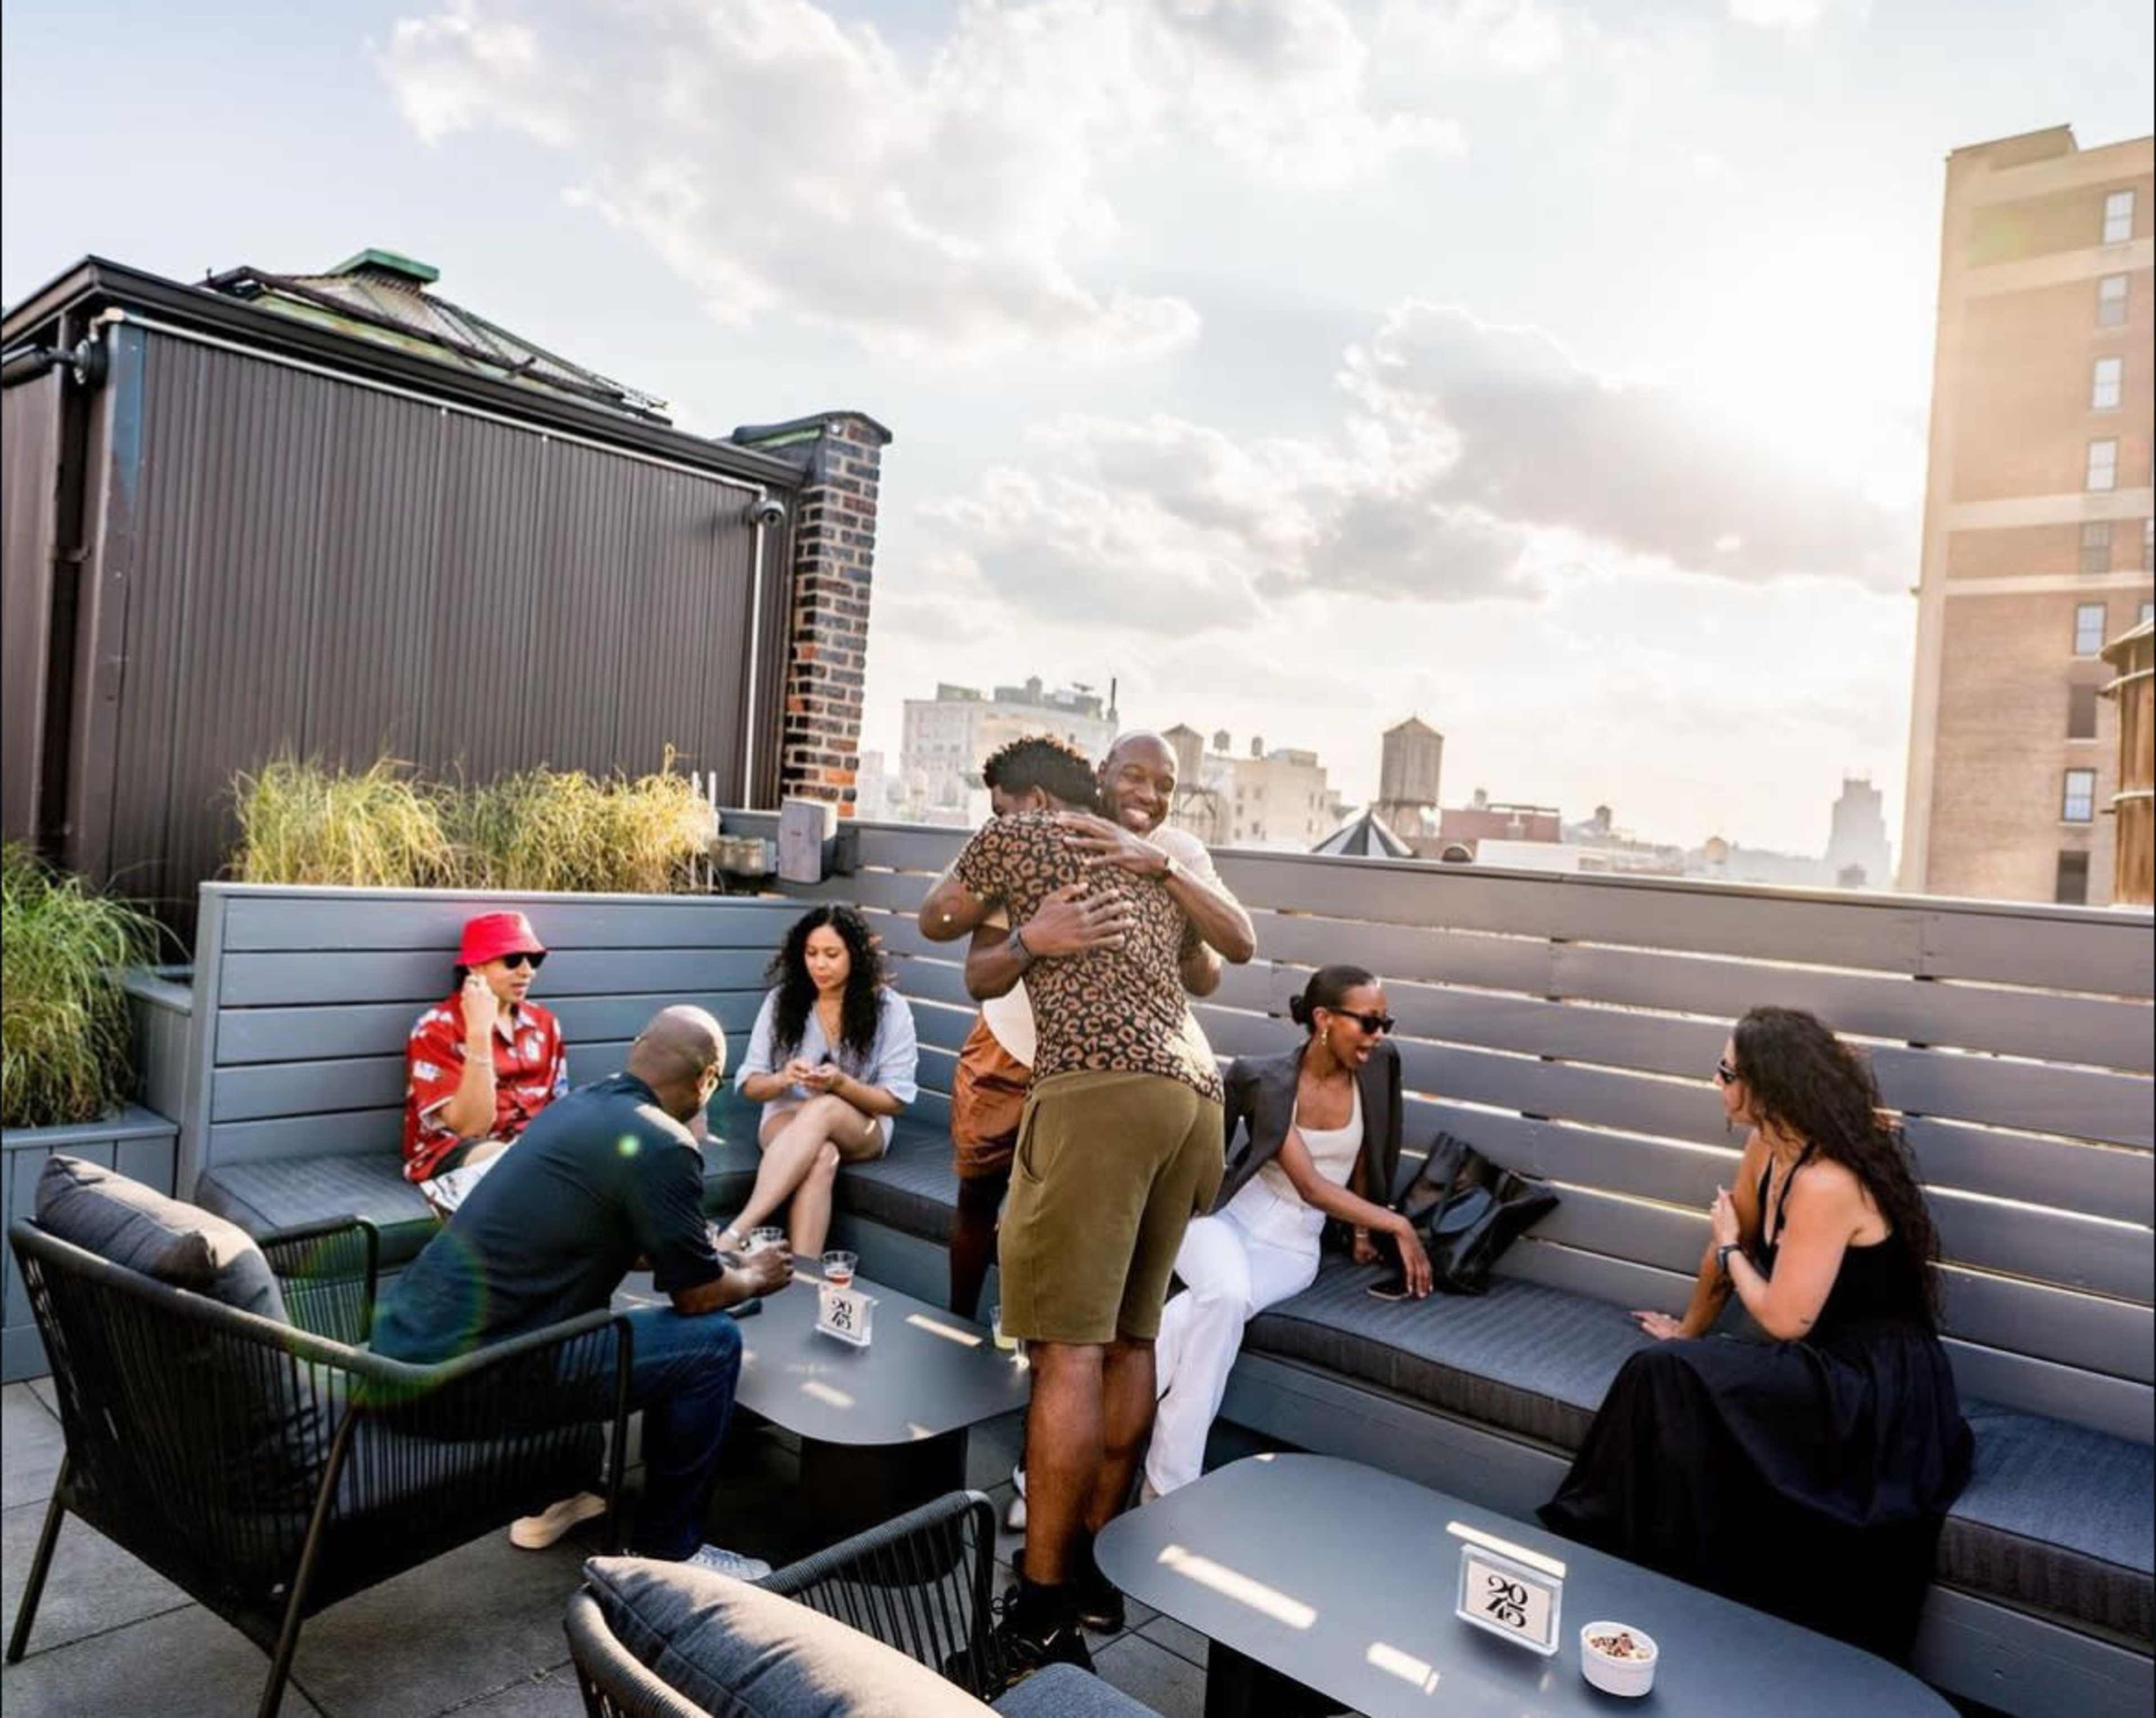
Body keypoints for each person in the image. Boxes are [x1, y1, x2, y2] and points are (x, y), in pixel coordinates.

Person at [919, 731, 1254, 1686]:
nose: (1147, 794)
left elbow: (939, 916)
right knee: (1129, 1338)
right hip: (1191, 1102)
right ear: (1098, 781)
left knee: (1065, 1346)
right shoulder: (1155, 865)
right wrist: (1043, 931)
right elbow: (1215, 969)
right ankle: (1101, 1574)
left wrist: (1017, 913)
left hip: (1100, 1095)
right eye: (1133, 776)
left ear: (1028, 795)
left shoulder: (1027, 833)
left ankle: (1040, 1608)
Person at [1538, 1006, 1972, 1657]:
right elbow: (1724, 1265)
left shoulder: (1828, 1179)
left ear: (1768, 1084)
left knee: (1663, 1377)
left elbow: (1779, 1315)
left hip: (1875, 1391)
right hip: (1820, 1363)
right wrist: (1690, 1329)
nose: (1716, 1082)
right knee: (1667, 1373)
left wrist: (1731, 1246)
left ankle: (1583, 1546)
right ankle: (1624, 1572)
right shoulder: (1768, 1144)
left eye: (1726, 1071)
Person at [372, 1006, 792, 1571]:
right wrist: (753, 1273)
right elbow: (695, 1297)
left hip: (405, 1349)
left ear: (638, 1048)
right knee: (712, 1342)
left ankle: (562, 1492)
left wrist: (709, 1257)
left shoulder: (576, 1107)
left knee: (588, 1309)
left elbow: (608, 1237)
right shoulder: (664, 1142)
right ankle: (669, 1554)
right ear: (707, 1079)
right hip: (472, 1384)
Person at [1146, 965, 1432, 1498]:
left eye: (1385, 1022)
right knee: (1225, 1296)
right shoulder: (1266, 1079)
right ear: (1324, 1019)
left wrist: (1363, 1230)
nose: (1380, 1035)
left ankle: (1067, 1458)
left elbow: (1371, 1147)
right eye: (1369, 1022)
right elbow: (1311, 1184)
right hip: (1226, 1221)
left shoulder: (1377, 1065)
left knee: (1197, 1314)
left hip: (1295, 1247)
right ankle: (1167, 1489)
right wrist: (1395, 1223)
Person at [947, 735, 1130, 1324]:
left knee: (1058, 1216)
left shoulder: (1132, 855)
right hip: (1003, 1047)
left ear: (1040, 800)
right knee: (976, 1200)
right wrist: (1032, 937)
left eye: (1003, 813)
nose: (994, 827)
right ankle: (957, 1326)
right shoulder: (1007, 862)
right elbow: (970, 961)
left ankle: (1032, 1348)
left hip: (1081, 1071)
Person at [719, 905, 920, 1260]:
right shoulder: (783, 1001)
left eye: (831, 954)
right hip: (785, 1117)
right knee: (822, 1155)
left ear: (855, 956)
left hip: (861, 1124)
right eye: (811, 954)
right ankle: (801, 1277)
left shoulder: (890, 1009)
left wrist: (840, 1085)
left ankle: (739, 1229)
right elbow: (750, 1084)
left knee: (824, 1107)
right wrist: (784, 1078)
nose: (819, 965)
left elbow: (895, 1100)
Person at [403, 910, 569, 1215]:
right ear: (476, 966)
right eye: (513, 960)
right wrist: (479, 1033)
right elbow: (471, 1127)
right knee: (512, 1167)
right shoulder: (437, 1028)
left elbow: (559, 1107)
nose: (527, 971)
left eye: (534, 960)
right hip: (459, 1149)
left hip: (534, 1147)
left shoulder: (545, 1023)